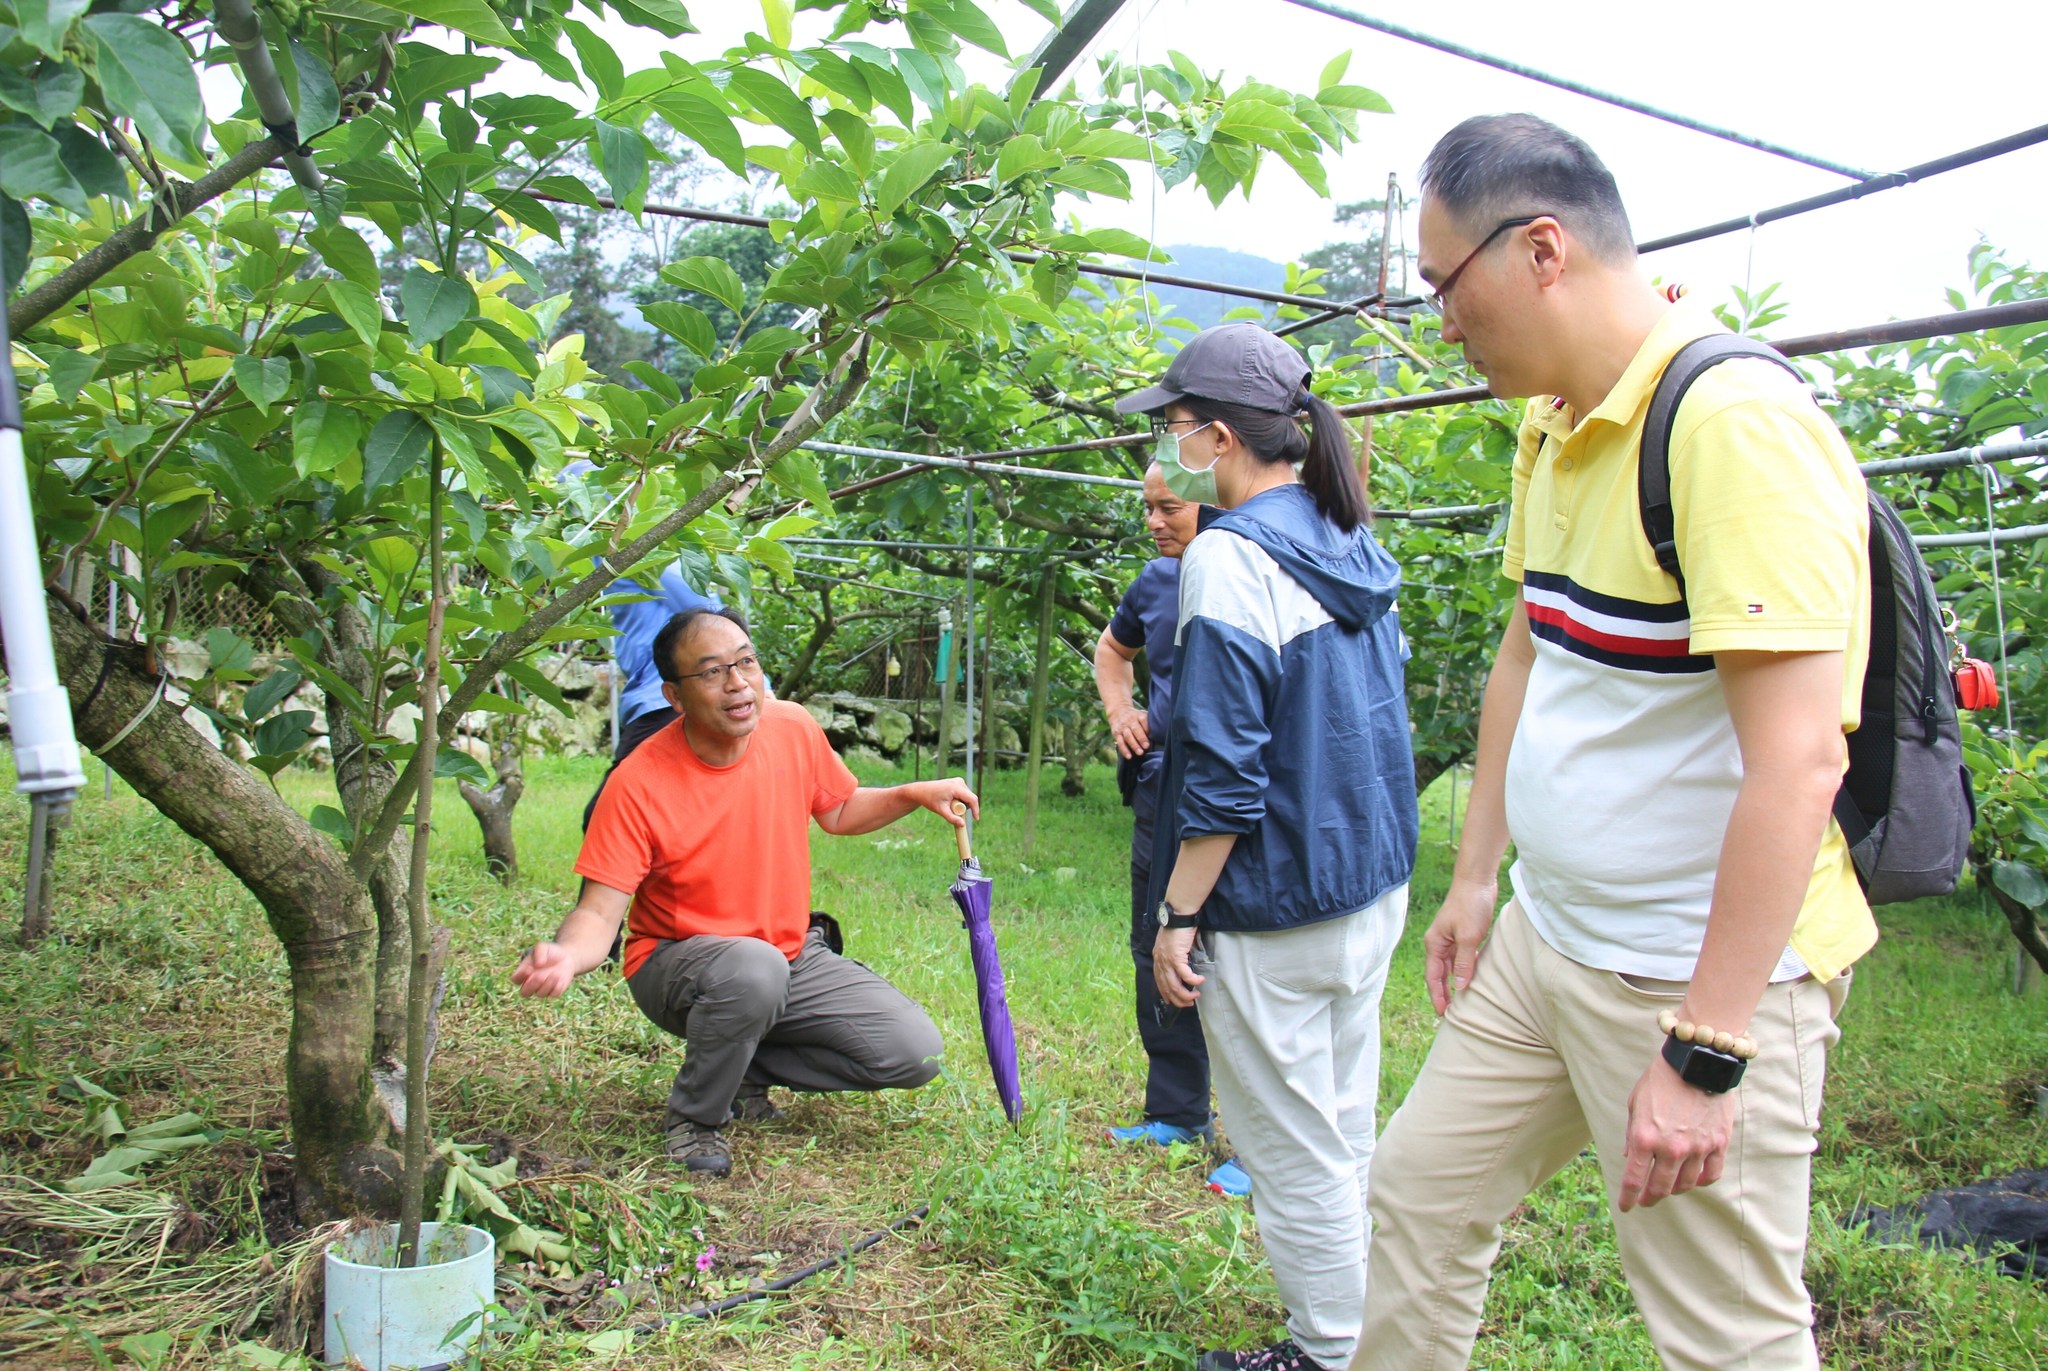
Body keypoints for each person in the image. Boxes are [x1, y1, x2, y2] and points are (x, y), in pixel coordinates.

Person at [1354, 115, 1872, 1371]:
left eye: (1441, 285)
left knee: (1722, 1336)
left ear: (1539, 249)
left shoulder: (1728, 424)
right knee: (1417, 1196)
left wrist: (1705, 1048)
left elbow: (1800, 760)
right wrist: (1476, 878)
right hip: (1548, 941)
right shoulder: (1552, 418)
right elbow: (1529, 653)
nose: (1439, 321)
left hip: (1681, 975)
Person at [1120, 322, 1419, 1371]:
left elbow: (1224, 765)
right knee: (1338, 1125)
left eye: (1170, 426)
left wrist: (1179, 913)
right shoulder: (1345, 533)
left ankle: (1332, 1351)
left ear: (1211, 437)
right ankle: (1366, 1327)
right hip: (1365, 882)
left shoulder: (1229, 557)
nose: (1165, 445)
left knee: (1291, 1155)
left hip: (1275, 900)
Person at [514, 606, 979, 1177]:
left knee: (915, 1053)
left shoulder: (789, 727)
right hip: (677, 962)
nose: (737, 684)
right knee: (752, 970)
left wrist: (911, 792)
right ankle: (696, 1119)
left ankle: (744, 1067)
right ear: (674, 696)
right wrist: (564, 955)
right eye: (711, 672)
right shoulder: (638, 783)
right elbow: (598, 912)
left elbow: (837, 808)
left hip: (788, 953)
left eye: (746, 662)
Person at [1093, 465, 1249, 1197]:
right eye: (1147, 508)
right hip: (1166, 791)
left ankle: (1259, 1144)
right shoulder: (1155, 581)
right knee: (1152, 940)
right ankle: (1178, 1109)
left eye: (1170, 507)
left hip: (1239, 798)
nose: (1154, 521)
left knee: (1242, 961)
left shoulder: (1251, 574)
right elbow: (1111, 651)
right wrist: (1122, 711)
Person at [581, 560, 722, 830]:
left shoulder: (649, 553)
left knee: (604, 815)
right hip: (658, 702)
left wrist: (756, 681)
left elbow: (712, 618)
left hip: (665, 705)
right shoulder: (609, 557)